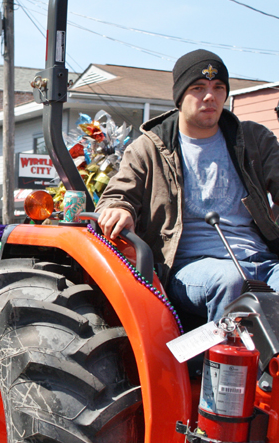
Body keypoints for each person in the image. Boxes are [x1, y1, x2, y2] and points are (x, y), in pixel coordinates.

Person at [97, 49, 279, 323]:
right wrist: (120, 209)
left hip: (262, 260)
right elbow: (116, 196)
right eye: (198, 88)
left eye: (219, 88)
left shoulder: (253, 139)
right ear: (180, 96)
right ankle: (222, 366)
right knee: (230, 282)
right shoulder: (150, 148)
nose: (210, 96)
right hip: (189, 266)